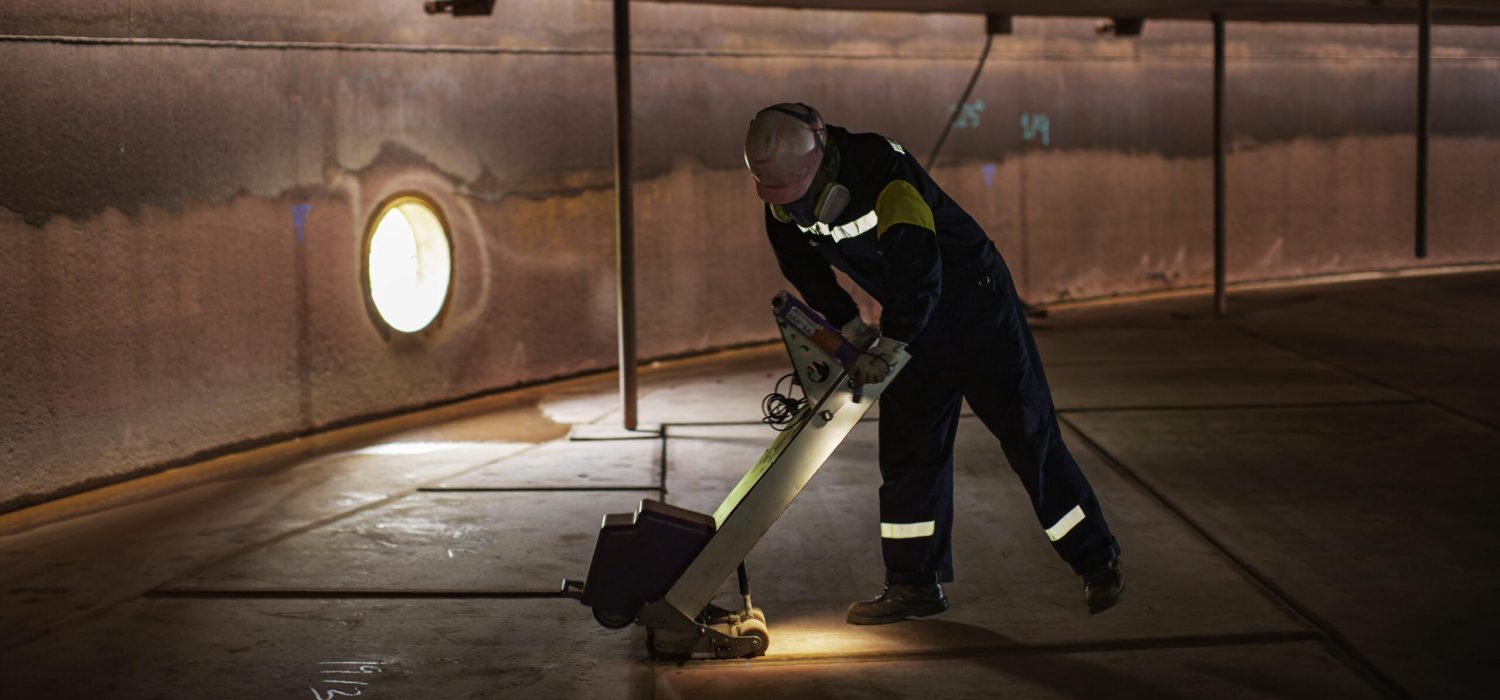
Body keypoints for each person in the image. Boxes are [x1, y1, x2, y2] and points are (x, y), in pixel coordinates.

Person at [743, 103, 1124, 624]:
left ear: (823, 153)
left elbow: (919, 264)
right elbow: (800, 262)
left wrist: (893, 342)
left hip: (975, 308)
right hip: (908, 316)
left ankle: (1096, 560)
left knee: (1028, 435)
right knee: (909, 454)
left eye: (804, 192)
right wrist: (849, 325)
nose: (798, 204)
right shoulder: (785, 197)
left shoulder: (884, 174)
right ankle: (913, 584)